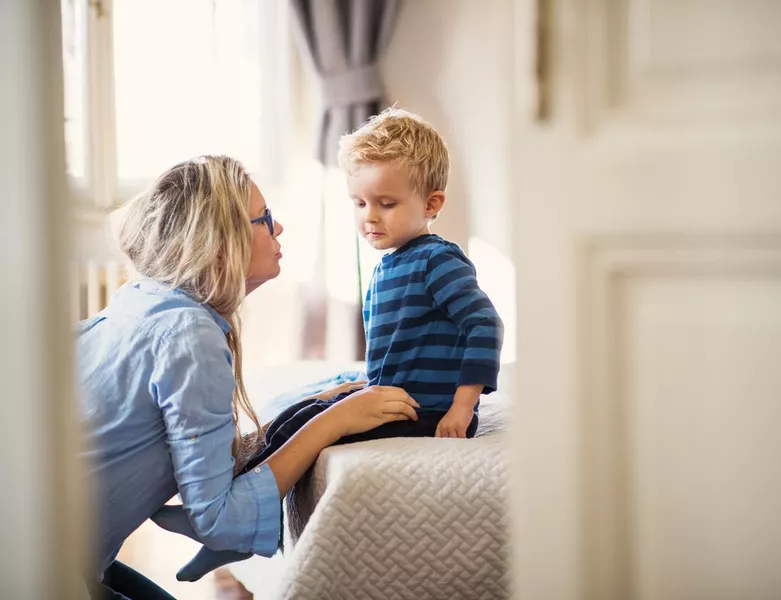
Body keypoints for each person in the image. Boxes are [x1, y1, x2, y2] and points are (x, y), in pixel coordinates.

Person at [161, 108, 504, 581]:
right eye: (359, 203)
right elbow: (406, 341)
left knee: (313, 431)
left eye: (386, 203)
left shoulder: (438, 261)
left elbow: (484, 325)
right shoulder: (392, 263)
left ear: (431, 203)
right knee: (297, 415)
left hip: (426, 411)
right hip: (398, 396)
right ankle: (226, 511)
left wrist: (462, 407)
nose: (369, 217)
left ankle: (231, 532)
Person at [75, 155, 420, 600]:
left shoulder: (141, 299)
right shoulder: (190, 334)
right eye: (265, 219)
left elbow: (203, 452)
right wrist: (336, 421)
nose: (279, 230)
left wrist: (316, 406)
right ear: (219, 243)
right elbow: (217, 517)